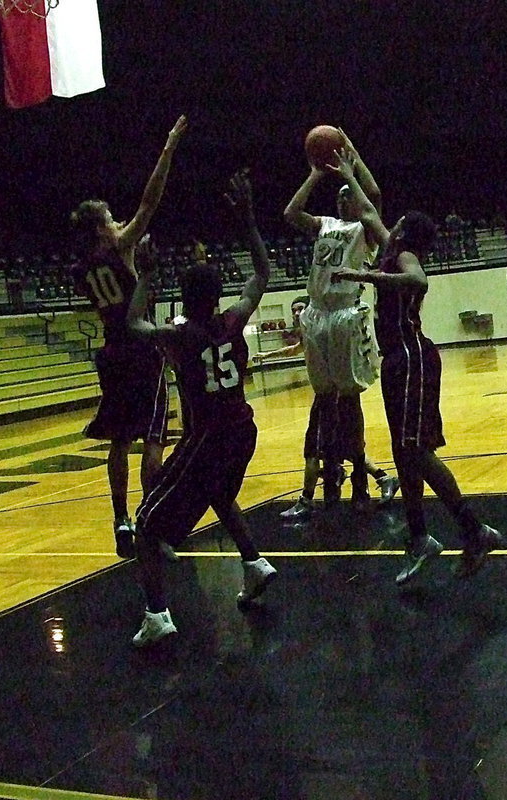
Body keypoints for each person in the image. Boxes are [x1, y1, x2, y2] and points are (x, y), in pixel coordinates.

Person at [328, 150, 503, 584]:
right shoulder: (391, 247)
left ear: (405, 230)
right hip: (398, 361)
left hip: (412, 357)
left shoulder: (404, 258)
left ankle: (474, 529)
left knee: (415, 451)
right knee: (404, 453)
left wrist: (366, 279)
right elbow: (370, 204)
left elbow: (420, 281)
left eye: (398, 220)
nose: (391, 220)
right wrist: (350, 168)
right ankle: (421, 537)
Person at [126, 170, 277, 646]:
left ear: (186, 300)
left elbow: (133, 323)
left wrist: (145, 275)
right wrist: (250, 221)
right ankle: (254, 563)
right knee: (218, 495)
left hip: (208, 435)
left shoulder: (178, 335)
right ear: (216, 297)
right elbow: (262, 274)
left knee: (146, 528)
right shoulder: (233, 319)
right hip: (243, 430)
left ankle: (157, 615)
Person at [70, 114, 187, 561]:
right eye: (112, 219)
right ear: (103, 229)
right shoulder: (120, 248)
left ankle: (119, 517)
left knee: (120, 440)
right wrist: (169, 147)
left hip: (110, 353)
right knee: (154, 438)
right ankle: (150, 520)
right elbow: (150, 201)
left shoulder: (81, 268)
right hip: (142, 349)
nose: (120, 222)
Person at [283, 129, 385, 510]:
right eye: (342, 195)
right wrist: (314, 174)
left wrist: (350, 167)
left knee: (350, 400)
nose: (346, 198)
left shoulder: (366, 229)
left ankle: (360, 481)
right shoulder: (324, 224)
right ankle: (330, 484)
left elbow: (373, 196)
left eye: (350, 195)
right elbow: (290, 214)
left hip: (345, 315)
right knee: (325, 401)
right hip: (316, 315)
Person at [254, 296, 399, 520]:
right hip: (330, 393)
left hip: (334, 394)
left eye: (300, 309)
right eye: (293, 310)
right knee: (345, 448)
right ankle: (381, 477)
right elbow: (295, 349)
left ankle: (308, 499)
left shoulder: (327, 327)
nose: (296, 314)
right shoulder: (312, 329)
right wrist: (267, 355)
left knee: (317, 450)